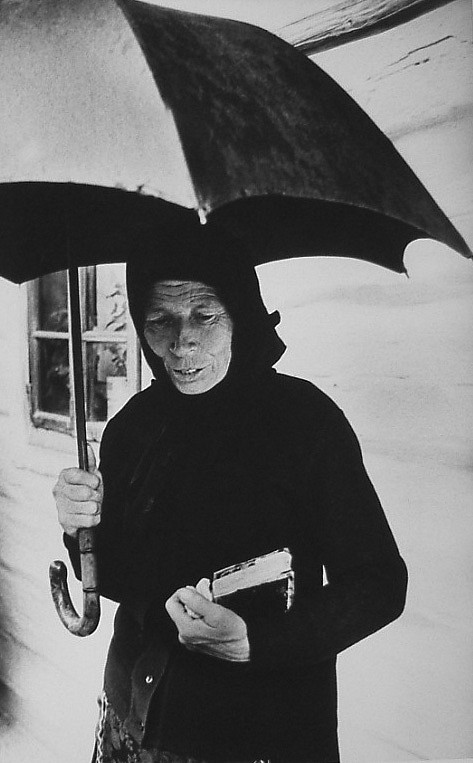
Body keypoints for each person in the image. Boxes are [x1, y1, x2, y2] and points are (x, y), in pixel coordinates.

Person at [53, 223, 407, 763]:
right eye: (159, 321)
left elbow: (379, 584)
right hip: (135, 722)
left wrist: (257, 643)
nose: (181, 342)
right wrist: (82, 526)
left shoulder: (305, 423)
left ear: (241, 312)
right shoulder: (134, 428)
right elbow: (120, 576)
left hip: (261, 735)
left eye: (204, 315)